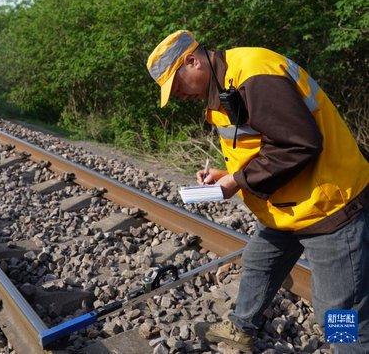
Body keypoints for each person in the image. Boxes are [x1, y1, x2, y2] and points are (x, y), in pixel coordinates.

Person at [146, 30, 368, 353]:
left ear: (192, 61)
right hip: (288, 202)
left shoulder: (253, 75)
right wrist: (229, 174)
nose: (178, 94)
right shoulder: (224, 84)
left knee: (339, 314)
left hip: (329, 207)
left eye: (176, 85)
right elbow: (264, 143)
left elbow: (300, 142)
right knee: (259, 262)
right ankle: (241, 328)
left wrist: (237, 181)